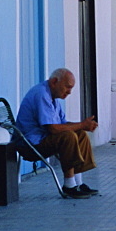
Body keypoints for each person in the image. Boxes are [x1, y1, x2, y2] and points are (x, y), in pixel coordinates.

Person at [16, 68, 99, 199]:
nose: (69, 92)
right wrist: (82, 124)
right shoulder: (41, 94)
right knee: (68, 136)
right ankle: (69, 185)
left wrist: (82, 126)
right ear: (54, 82)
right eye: (67, 87)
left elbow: (64, 124)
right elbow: (53, 129)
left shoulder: (53, 98)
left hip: (43, 139)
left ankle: (78, 182)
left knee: (79, 133)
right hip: (30, 144)